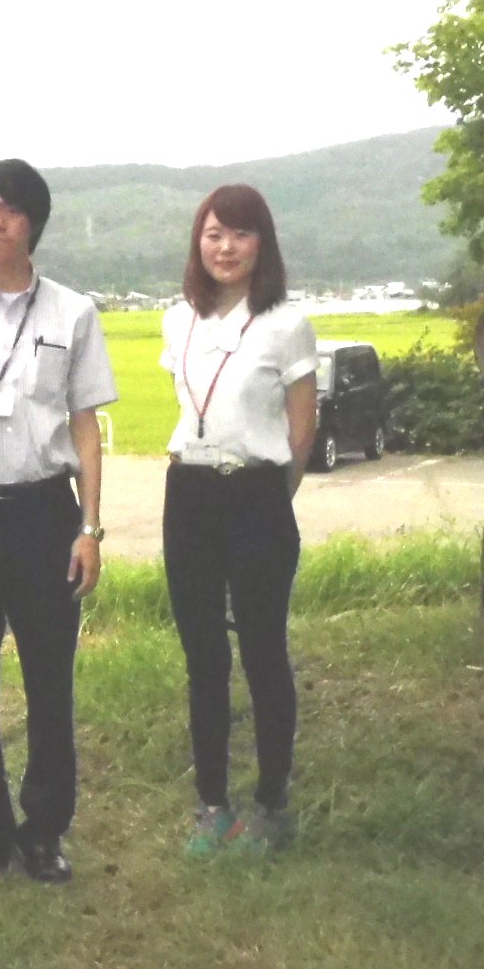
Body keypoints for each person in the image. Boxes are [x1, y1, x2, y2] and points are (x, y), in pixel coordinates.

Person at [0, 162, 117, 886]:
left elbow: (86, 425)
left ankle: (45, 829)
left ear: (33, 219)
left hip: (43, 512)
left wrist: (90, 528)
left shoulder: (74, 313)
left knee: (48, 679)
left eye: (6, 210)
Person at [161, 184, 317, 856]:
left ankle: (272, 803)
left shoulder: (286, 322)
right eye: (214, 233)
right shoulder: (178, 319)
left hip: (256, 496)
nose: (225, 247)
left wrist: (268, 501)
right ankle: (213, 806)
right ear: (199, 241)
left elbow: (302, 433)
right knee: (203, 656)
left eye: (241, 234)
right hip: (187, 493)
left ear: (263, 244)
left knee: (261, 650)